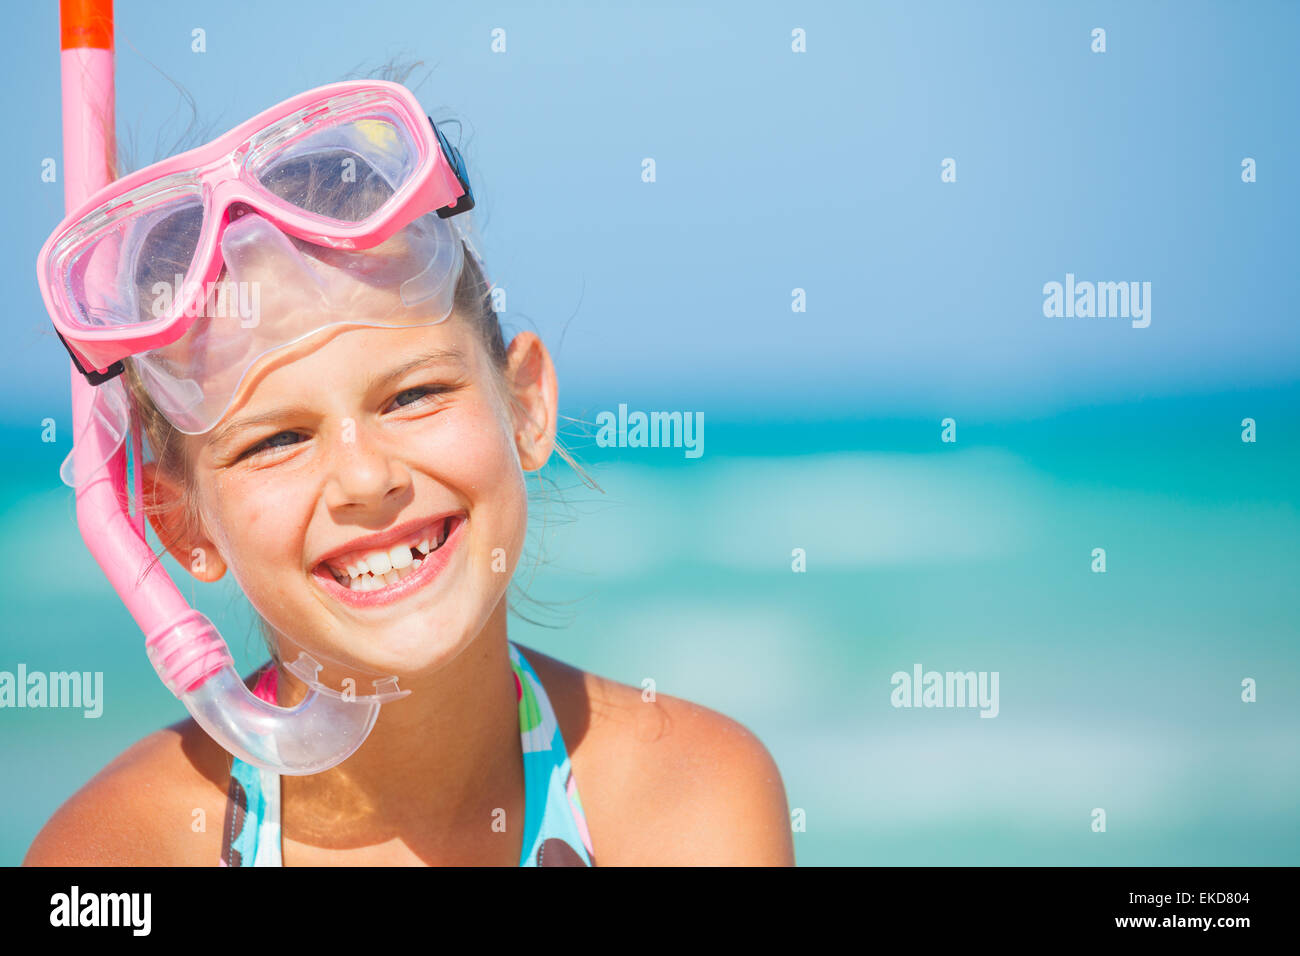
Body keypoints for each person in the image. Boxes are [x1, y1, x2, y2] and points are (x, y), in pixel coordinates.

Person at [24, 79, 794, 866]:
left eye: (414, 395)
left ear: (524, 403)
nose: (364, 476)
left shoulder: (687, 802)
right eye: (277, 440)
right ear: (180, 523)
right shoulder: (115, 859)